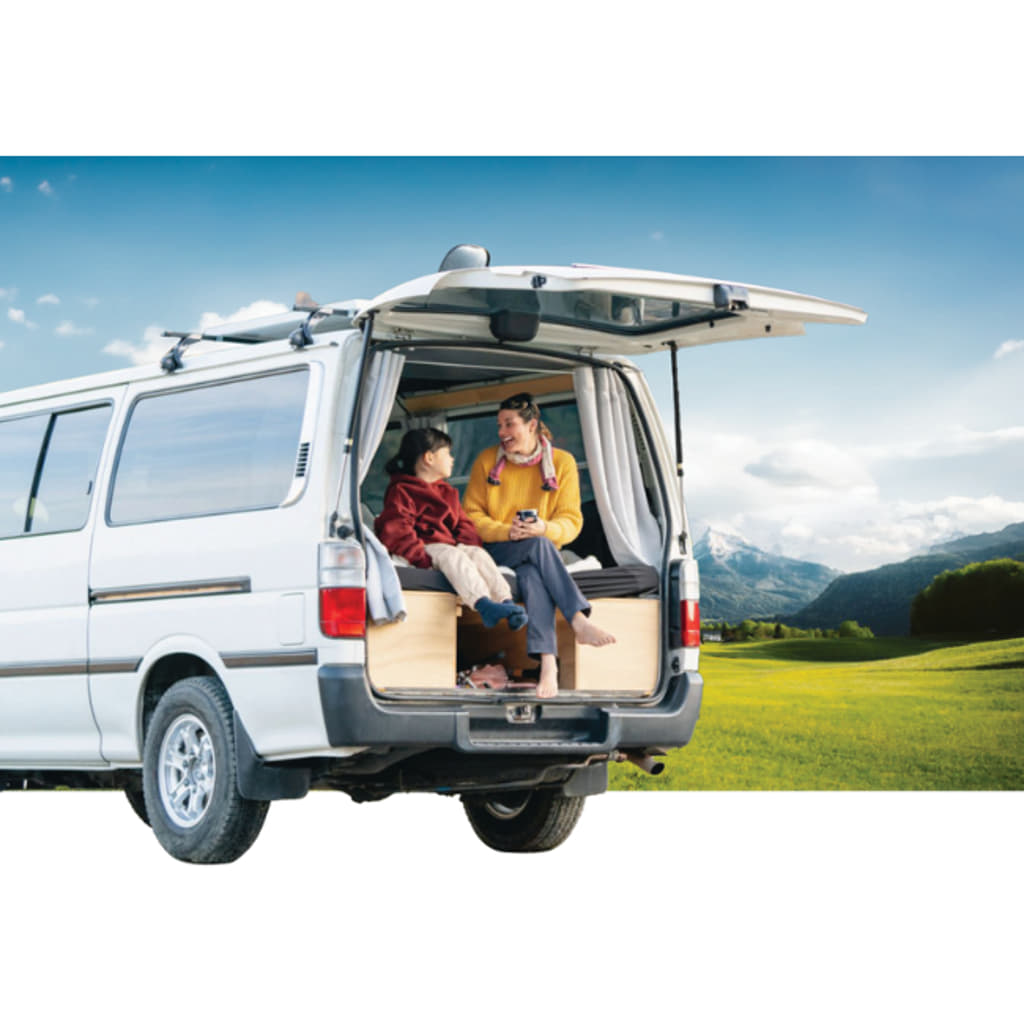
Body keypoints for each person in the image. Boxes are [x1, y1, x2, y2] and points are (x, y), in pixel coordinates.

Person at [463, 392, 615, 699]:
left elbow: (572, 521)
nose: (502, 432)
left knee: (534, 570)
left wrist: (544, 528)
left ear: (532, 425)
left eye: (509, 424)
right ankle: (577, 619)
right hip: (496, 549)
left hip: (538, 550)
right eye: (499, 425)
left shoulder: (562, 463)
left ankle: (548, 664)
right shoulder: (486, 462)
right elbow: (470, 518)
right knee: (539, 547)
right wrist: (508, 531)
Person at [374, 427, 527, 633]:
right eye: (448, 453)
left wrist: (467, 544)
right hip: (425, 548)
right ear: (429, 457)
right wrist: (421, 558)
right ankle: (483, 604)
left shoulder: (448, 492)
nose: (452, 459)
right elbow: (397, 529)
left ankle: (505, 602)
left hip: (449, 546)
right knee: (452, 555)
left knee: (477, 554)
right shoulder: (401, 491)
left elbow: (464, 524)